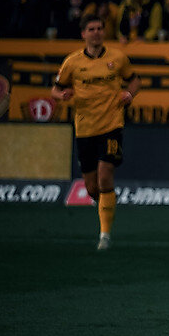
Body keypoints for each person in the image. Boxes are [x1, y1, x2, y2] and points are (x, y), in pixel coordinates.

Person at [51, 14, 141, 250]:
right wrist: (62, 95)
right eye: (91, 29)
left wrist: (129, 94)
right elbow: (55, 89)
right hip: (84, 128)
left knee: (105, 176)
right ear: (83, 34)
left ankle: (104, 235)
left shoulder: (117, 58)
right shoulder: (72, 62)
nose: (96, 32)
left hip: (111, 125)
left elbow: (134, 80)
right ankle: (105, 206)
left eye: (100, 28)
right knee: (92, 188)